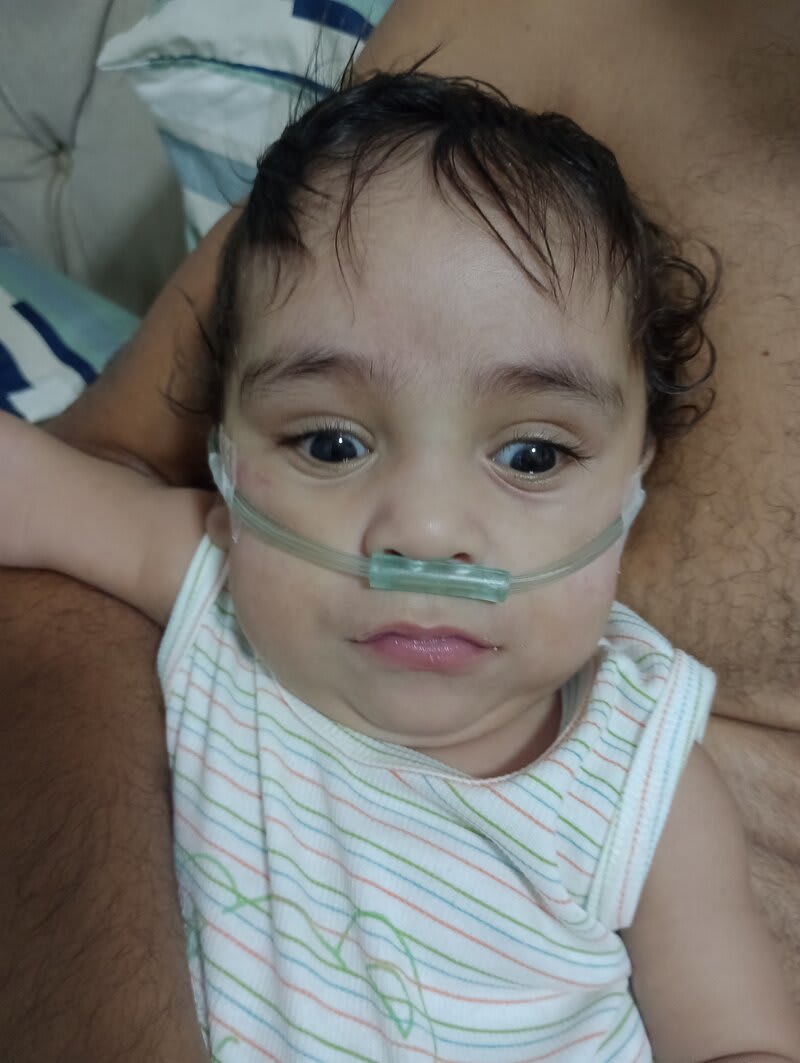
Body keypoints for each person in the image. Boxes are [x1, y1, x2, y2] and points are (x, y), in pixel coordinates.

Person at [1, 3, 798, 1062]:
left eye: (531, 455)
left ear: (632, 483)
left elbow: (735, 1040)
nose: (423, 531)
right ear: (228, 456)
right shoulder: (207, 570)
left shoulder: (639, 776)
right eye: (331, 443)